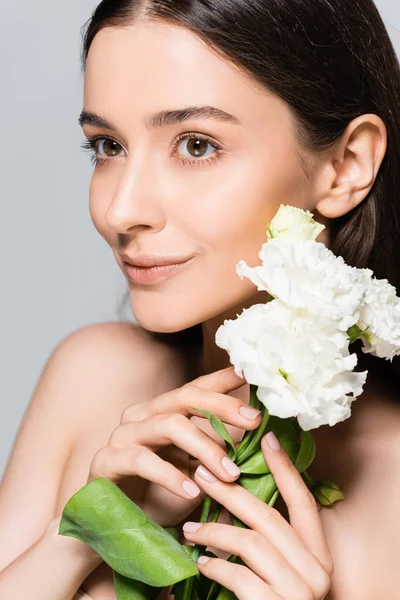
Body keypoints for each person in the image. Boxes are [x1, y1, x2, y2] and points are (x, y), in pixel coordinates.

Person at [1, 0, 400, 598]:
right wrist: (79, 535)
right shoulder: (92, 378)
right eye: (107, 146)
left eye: (195, 146)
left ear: (345, 165)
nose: (121, 210)